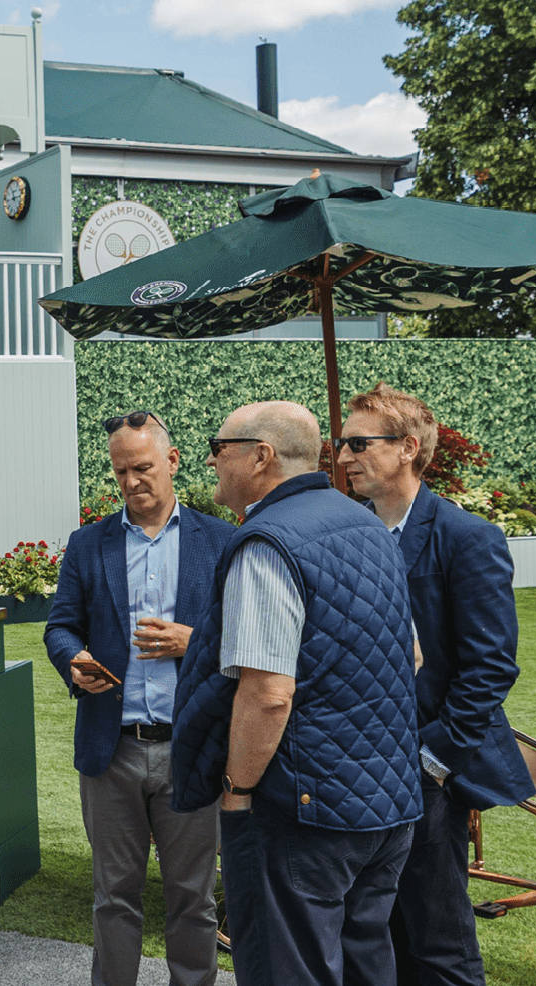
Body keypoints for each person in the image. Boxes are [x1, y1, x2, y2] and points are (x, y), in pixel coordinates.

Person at [171, 402, 421, 986]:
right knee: (366, 965)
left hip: (301, 809)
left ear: (261, 457)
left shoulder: (268, 542)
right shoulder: (369, 525)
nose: (210, 459)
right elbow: (410, 656)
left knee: (286, 970)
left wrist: (236, 792)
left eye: (220, 446)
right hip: (387, 803)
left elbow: (269, 694)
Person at [342, 386, 535, 986]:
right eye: (340, 443)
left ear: (407, 448)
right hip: (357, 765)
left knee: (439, 943)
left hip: (426, 772)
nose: (344, 455)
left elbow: (491, 666)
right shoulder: (347, 533)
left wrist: (434, 758)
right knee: (374, 937)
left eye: (358, 443)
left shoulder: (466, 537)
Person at [44, 411, 236, 986]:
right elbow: (60, 627)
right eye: (120, 470)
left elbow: (245, 636)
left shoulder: (222, 541)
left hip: (192, 749)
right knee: (113, 899)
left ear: (173, 461)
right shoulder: (88, 543)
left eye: (143, 467)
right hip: (113, 750)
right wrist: (73, 660)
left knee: (193, 901)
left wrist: (191, 641)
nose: (131, 481)